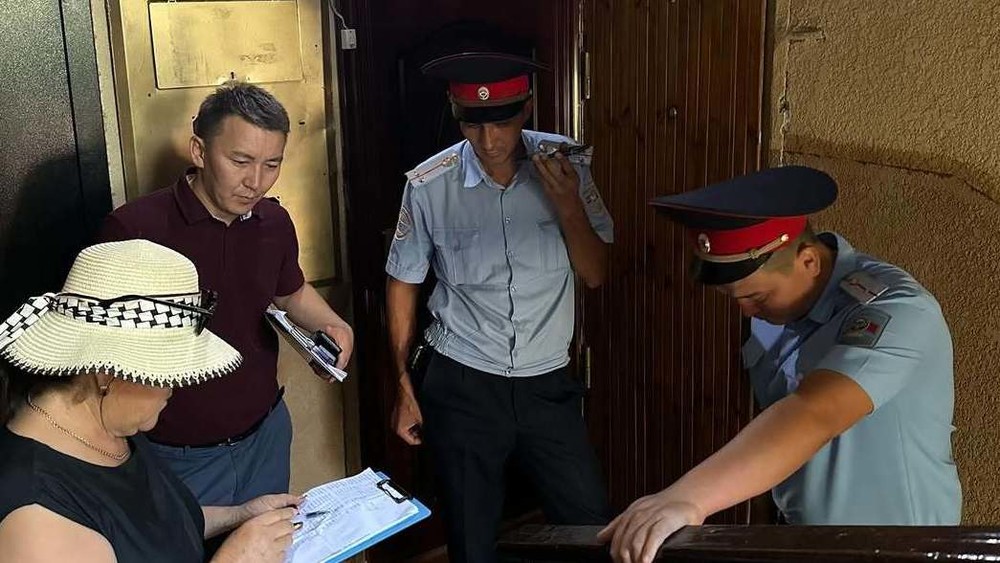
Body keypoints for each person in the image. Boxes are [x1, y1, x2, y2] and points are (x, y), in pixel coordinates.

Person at [599, 166, 962, 562]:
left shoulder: (896, 311)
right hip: (808, 542)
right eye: (734, 297)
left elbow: (816, 410)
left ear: (808, 261)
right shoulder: (776, 312)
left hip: (897, 547)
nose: (745, 311)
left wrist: (687, 497)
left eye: (756, 297)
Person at [385, 51, 615, 563]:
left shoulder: (567, 165)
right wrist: (402, 385)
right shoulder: (429, 184)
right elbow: (402, 282)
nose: (489, 141)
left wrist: (568, 205)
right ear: (456, 113)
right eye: (473, 124)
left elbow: (596, 273)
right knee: (471, 539)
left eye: (503, 123)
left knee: (589, 525)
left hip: (546, 382)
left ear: (526, 108)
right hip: (463, 380)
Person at [97, 81, 354, 506]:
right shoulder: (134, 229)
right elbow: (100, 352)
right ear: (199, 151)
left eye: (272, 164)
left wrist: (333, 325)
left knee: (271, 537)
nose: (255, 182)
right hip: (176, 454)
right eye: (240, 161)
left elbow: (289, 292)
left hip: (265, 435)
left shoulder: (274, 222)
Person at [0, 240, 304, 562]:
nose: (175, 387)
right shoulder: (37, 517)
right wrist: (233, 558)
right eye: (166, 373)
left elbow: (152, 534)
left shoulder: (112, 427)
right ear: (107, 372)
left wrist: (240, 514)